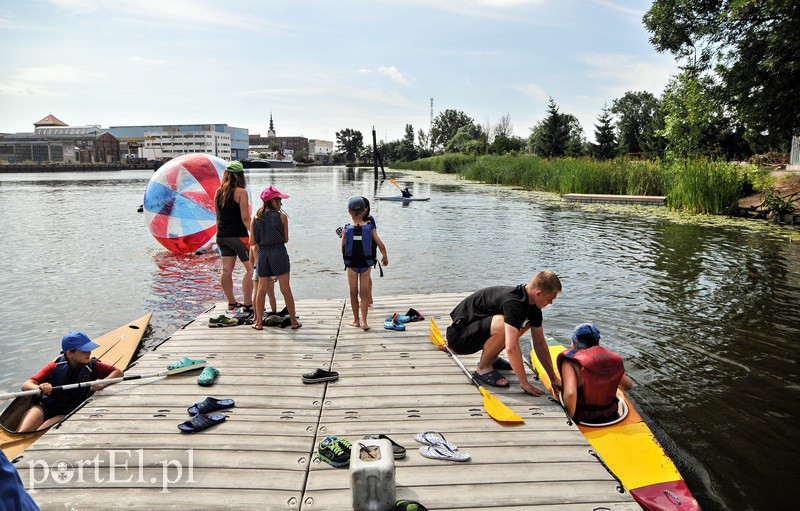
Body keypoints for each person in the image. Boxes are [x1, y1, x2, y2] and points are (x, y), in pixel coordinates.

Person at [446, 271, 562, 396]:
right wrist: (524, 383)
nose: (550, 303)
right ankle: (483, 367)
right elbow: (511, 348)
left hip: (473, 330)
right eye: (549, 300)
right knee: (503, 324)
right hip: (458, 336)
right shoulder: (513, 303)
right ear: (538, 293)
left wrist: (553, 378)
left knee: (524, 323)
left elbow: (539, 343)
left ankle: (492, 358)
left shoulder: (534, 307)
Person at [16, 332, 123, 433]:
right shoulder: (54, 366)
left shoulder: (93, 365)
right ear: (69, 353)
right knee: (22, 431)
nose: (89, 353)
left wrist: (101, 383)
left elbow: (118, 372)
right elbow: (26, 385)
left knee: (40, 431)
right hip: (46, 407)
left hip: (68, 411)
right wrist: (40, 387)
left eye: (89, 350)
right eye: (84, 351)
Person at [558, 323, 633, 423]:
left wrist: (570, 419)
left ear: (574, 343)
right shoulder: (608, 360)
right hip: (611, 415)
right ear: (597, 343)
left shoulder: (569, 363)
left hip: (583, 418)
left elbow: (571, 394)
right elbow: (628, 385)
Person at [250, 186, 301, 329]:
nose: (281, 203)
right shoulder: (282, 217)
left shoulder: (255, 218)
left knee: (261, 289)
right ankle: (293, 321)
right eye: (279, 200)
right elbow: (286, 239)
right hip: (278, 252)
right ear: (272, 201)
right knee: (285, 288)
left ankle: (259, 322)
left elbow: (252, 242)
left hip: (263, 254)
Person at [341, 196, 388, 331]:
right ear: (365, 210)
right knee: (365, 293)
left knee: (353, 293)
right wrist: (385, 257)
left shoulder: (346, 228)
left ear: (349, 211)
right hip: (366, 265)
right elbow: (381, 245)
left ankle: (356, 321)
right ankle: (365, 322)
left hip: (352, 266)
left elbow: (342, 248)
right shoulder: (370, 227)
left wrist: (344, 235)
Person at [214, 160, 254, 313]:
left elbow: (217, 217)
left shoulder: (218, 192)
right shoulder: (241, 192)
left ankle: (231, 302)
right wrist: (254, 235)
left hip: (222, 236)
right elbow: (245, 218)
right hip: (238, 236)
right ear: (240, 175)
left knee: (226, 271)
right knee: (251, 269)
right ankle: (248, 303)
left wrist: (222, 234)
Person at [360, 196, 378, 307]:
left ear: (366, 208)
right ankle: (369, 298)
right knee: (367, 276)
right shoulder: (367, 218)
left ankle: (366, 299)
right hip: (369, 250)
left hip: (368, 251)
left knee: (365, 276)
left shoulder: (368, 219)